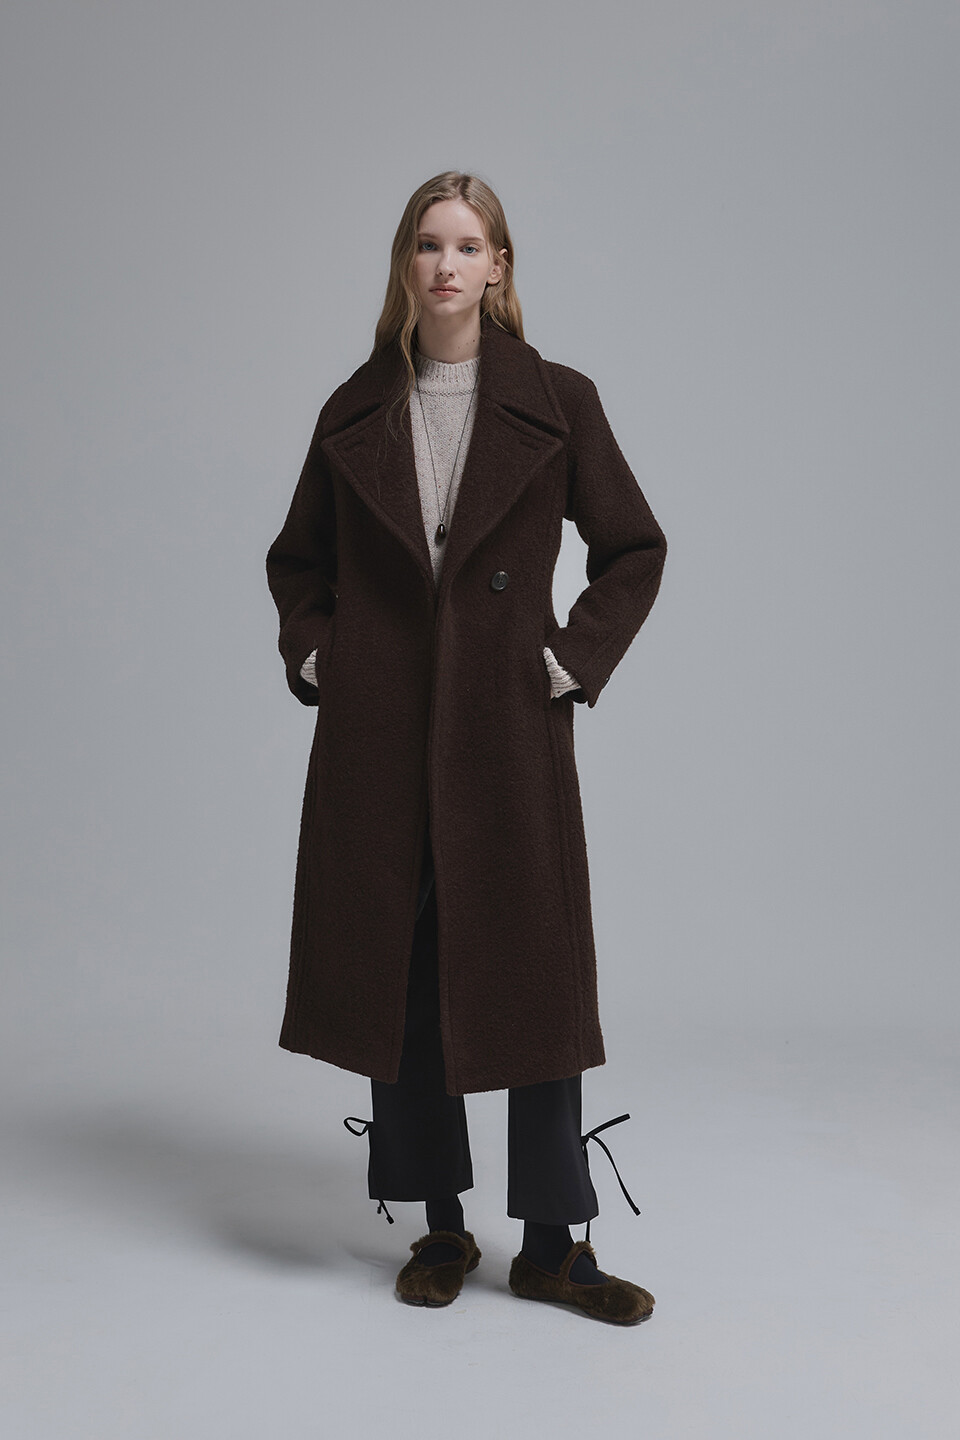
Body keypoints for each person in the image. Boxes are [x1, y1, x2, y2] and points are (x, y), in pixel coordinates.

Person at [266, 171, 667, 1324]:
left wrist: (570, 660)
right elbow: (298, 564)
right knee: (401, 976)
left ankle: (553, 1245)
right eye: (428, 244)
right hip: (381, 735)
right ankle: (440, 1224)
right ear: (406, 264)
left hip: (505, 729)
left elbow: (634, 548)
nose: (447, 264)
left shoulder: (560, 401)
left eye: (468, 245)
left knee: (537, 980)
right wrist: (322, 657)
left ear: (499, 268)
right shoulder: (354, 408)